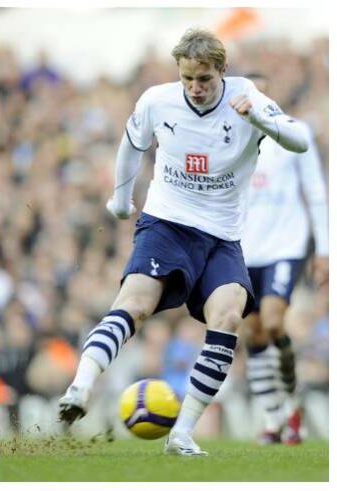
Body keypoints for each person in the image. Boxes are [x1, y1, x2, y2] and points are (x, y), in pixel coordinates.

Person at [58, 28, 308, 456]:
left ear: (222, 71)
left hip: (222, 236)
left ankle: (182, 433)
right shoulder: (158, 100)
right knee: (134, 304)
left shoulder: (248, 96)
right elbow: (131, 144)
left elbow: (299, 140)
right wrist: (121, 199)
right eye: (188, 78)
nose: (196, 88)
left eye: (205, 79)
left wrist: (260, 120)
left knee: (228, 317)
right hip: (167, 224)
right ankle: (80, 387)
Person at [240, 73, 328, 445]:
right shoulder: (232, 141)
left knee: (274, 322)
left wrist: (324, 249)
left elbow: (316, 193)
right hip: (243, 249)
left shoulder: (294, 133)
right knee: (252, 331)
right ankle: (275, 417)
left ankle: (292, 401)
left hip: (285, 246)